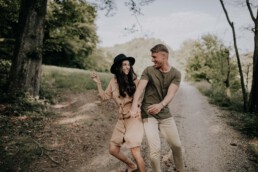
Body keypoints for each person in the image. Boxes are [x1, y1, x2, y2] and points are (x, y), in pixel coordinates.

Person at [130, 44, 184, 172]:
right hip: (148, 114)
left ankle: (181, 170)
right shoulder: (149, 70)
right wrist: (134, 106)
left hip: (164, 113)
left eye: (154, 57)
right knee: (155, 149)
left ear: (164, 56)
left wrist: (160, 105)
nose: (152, 59)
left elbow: (171, 93)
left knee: (176, 145)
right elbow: (140, 89)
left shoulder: (176, 73)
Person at [91, 54, 145, 172]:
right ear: (118, 67)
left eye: (128, 65)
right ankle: (132, 166)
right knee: (113, 149)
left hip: (133, 118)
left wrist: (138, 106)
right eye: (124, 64)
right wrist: (98, 83)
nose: (127, 67)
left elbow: (141, 97)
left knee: (135, 151)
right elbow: (105, 97)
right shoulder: (113, 81)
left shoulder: (135, 80)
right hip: (121, 120)